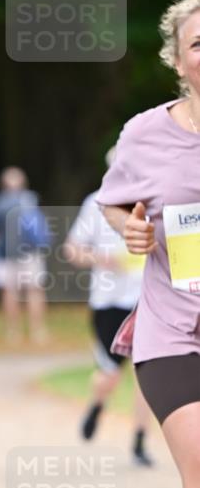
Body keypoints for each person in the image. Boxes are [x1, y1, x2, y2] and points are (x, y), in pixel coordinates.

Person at [96, 0, 200, 488]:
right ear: (177, 59)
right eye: (199, 42)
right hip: (173, 332)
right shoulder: (145, 133)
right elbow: (112, 199)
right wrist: (129, 229)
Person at [63, 152, 154, 467]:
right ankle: (97, 404)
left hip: (148, 301)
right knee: (109, 375)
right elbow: (72, 249)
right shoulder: (95, 204)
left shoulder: (154, 201)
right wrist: (101, 260)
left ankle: (140, 442)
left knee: (147, 376)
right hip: (108, 303)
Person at [0, 167, 50, 345]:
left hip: (8, 254)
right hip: (30, 252)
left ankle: (13, 332)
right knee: (34, 290)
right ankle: (37, 330)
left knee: (11, 292)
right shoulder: (31, 198)